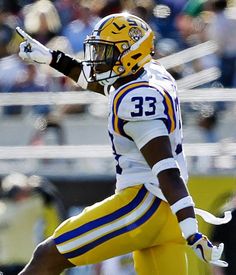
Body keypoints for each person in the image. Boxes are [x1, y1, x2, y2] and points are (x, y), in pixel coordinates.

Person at [16, 13, 228, 275]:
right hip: (165, 215)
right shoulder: (148, 72)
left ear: (129, 54)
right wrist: (53, 58)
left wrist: (192, 231)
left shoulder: (137, 100)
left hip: (144, 205)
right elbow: (101, 83)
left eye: (107, 52)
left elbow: (166, 169)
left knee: (48, 255)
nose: (99, 59)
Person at [0, 173, 64, 275]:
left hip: (26, 263)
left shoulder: (32, 205)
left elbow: (50, 207)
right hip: (4, 264)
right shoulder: (2, 207)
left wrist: (44, 192)